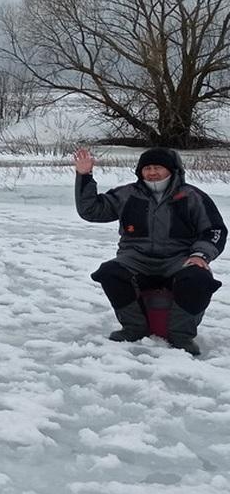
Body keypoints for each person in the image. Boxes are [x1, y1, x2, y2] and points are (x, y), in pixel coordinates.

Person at [76, 146, 224, 355]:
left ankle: (181, 335)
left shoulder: (192, 197)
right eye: (147, 168)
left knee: (199, 279)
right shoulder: (127, 194)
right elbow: (90, 210)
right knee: (109, 272)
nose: (152, 172)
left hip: (178, 259)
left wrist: (200, 255)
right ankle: (134, 328)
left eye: (158, 167)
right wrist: (84, 176)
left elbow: (214, 230)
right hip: (136, 259)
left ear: (172, 170)